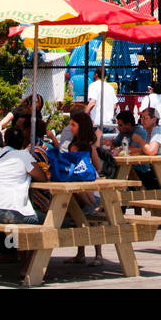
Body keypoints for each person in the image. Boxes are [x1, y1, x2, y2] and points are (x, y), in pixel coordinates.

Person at [65, 111, 107, 266]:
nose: (70, 127)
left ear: (80, 127)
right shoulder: (90, 147)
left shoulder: (74, 147)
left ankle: (85, 253)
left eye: (73, 125)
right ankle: (94, 254)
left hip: (87, 192)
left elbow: (71, 167)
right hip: (91, 190)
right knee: (82, 217)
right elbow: (98, 167)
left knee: (81, 217)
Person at [86, 68, 117, 132]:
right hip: (109, 124)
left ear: (96, 75)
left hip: (96, 124)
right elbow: (114, 107)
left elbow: (92, 103)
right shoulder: (110, 88)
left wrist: (84, 114)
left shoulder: (93, 85)